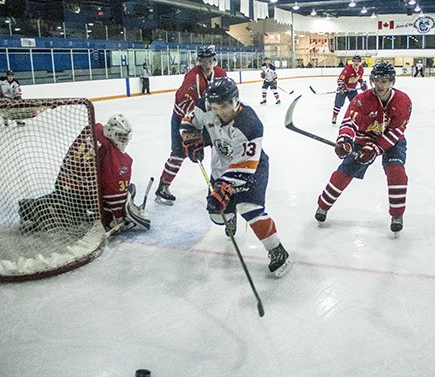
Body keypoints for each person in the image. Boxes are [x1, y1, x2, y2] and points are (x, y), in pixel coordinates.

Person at [179, 77, 291, 277]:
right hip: (220, 168)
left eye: (226, 105)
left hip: (252, 167)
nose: (222, 111)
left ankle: (277, 250)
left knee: (249, 209)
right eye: (216, 107)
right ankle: (229, 216)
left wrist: (224, 189)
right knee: (217, 215)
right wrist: (191, 138)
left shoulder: (250, 123)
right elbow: (188, 121)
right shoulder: (203, 107)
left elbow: (245, 165)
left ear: (236, 100)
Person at [314, 62, 412, 234]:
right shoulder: (361, 100)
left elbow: (397, 131)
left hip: (392, 141)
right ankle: (323, 205)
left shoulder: (403, 101)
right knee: (344, 171)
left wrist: (375, 149)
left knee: (397, 172)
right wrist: (344, 140)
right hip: (364, 138)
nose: (381, 85)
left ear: (392, 82)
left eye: (385, 80)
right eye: (377, 80)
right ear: (372, 80)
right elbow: (349, 122)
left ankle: (397, 214)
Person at [18, 114, 150, 234]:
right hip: (82, 194)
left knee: (69, 203)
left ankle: (33, 207)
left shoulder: (93, 130)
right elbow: (111, 190)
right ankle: (32, 209)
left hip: (63, 182)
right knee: (74, 216)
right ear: (110, 133)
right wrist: (119, 215)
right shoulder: (114, 158)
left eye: (125, 136)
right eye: (121, 136)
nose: (124, 140)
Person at [155, 45, 227, 205]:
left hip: (209, 120)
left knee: (219, 149)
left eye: (210, 60)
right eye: (204, 61)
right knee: (179, 153)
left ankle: (219, 185)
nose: (208, 65)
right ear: (199, 61)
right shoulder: (191, 78)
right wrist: (193, 132)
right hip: (184, 120)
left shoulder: (221, 74)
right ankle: (163, 187)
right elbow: (182, 105)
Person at [331, 55, 367, 125]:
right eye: (355, 61)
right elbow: (340, 79)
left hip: (352, 90)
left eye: (358, 61)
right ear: (352, 62)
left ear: (360, 62)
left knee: (356, 104)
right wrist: (341, 86)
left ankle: (356, 118)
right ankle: (334, 116)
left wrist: (362, 83)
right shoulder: (347, 69)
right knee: (338, 104)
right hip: (343, 90)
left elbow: (359, 78)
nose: (356, 63)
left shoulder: (361, 70)